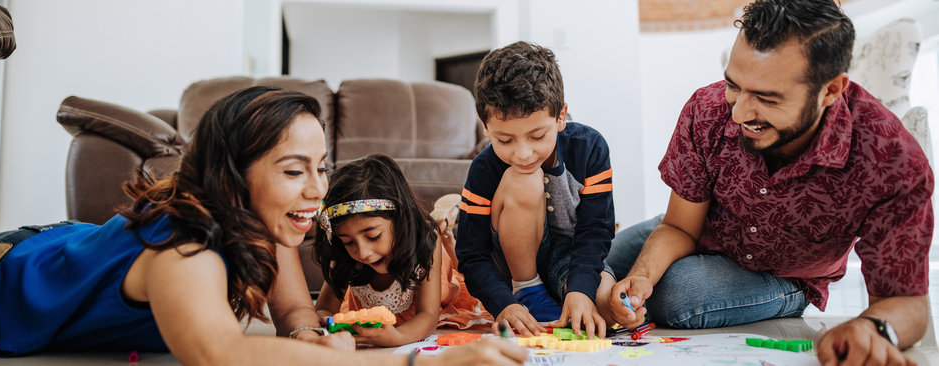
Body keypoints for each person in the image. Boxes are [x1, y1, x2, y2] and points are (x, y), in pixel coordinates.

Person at [0, 87, 528, 366]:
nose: (318, 191)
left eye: (321, 168)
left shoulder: (265, 224)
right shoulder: (185, 248)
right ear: (234, 176)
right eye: (293, 170)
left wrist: (312, 340)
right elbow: (220, 351)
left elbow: (293, 314)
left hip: (65, 241)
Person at [606, 1, 933, 365]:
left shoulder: (890, 159)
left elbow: (907, 301)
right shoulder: (707, 108)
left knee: (676, 294)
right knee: (599, 264)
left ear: (830, 90)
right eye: (734, 85)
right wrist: (642, 275)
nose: (739, 113)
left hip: (786, 275)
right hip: (701, 229)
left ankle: (786, 299)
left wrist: (873, 328)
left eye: (767, 98)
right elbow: (680, 226)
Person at [457, 41, 618, 341]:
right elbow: (471, 253)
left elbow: (596, 230)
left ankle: (561, 298)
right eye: (505, 140)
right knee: (524, 178)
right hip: (510, 269)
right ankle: (528, 291)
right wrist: (503, 303)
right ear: (485, 126)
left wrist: (581, 290)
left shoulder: (590, 148)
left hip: (570, 255)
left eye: (537, 136)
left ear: (561, 116)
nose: (523, 154)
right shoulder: (483, 169)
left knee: (605, 308)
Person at [313, 154, 494, 347]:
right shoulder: (344, 253)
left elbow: (428, 315)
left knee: (436, 233)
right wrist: (326, 329)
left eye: (373, 237)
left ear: (400, 220)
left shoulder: (426, 242)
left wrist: (398, 337)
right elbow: (323, 309)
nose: (363, 253)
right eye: (348, 241)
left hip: (428, 265)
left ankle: (445, 223)